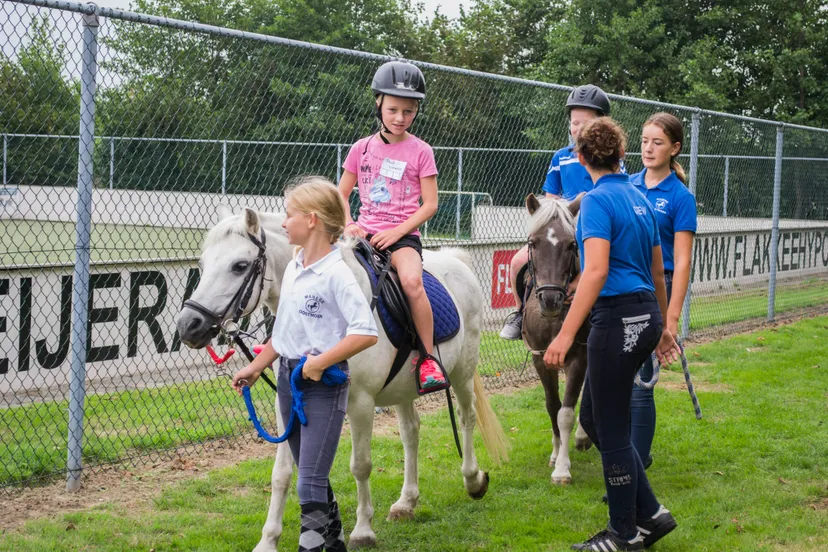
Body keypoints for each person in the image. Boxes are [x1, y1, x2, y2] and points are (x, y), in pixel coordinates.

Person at [543, 118, 681, 551]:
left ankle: (623, 534)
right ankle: (652, 515)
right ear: (622, 155)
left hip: (617, 318)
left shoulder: (599, 202)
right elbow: (658, 270)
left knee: (609, 425)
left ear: (582, 159)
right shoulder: (639, 198)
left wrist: (564, 335)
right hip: (644, 315)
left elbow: (596, 271)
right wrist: (661, 327)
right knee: (594, 421)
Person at [232, 177, 378, 552]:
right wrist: (256, 366)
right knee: (311, 472)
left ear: (311, 220)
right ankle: (335, 542)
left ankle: (309, 546)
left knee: (308, 481)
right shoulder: (296, 266)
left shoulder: (337, 274)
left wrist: (321, 362)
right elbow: (284, 333)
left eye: (288, 214)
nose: (283, 223)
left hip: (322, 384)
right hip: (288, 379)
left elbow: (365, 333)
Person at [338, 60, 447, 392]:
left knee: (413, 283)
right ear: (378, 104)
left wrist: (398, 232)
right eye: (393, 109)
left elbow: (430, 204)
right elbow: (340, 193)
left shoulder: (422, 151)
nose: (400, 118)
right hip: (362, 235)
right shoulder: (361, 148)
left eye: (409, 111)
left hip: (402, 239)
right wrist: (349, 224)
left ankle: (428, 359)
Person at [499, 84, 614, 340]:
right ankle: (520, 313)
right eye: (575, 123)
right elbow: (550, 201)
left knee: (594, 268)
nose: (579, 129)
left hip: (595, 231)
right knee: (517, 261)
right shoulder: (560, 157)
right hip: (564, 228)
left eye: (586, 123)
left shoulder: (610, 159)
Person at [629, 113, 697, 470]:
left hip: (659, 291)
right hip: (624, 289)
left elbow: (682, 263)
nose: (649, 148)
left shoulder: (681, 198)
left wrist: (669, 319)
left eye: (657, 142)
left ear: (674, 148)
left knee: (641, 384)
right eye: (644, 141)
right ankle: (628, 456)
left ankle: (635, 468)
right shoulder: (627, 185)